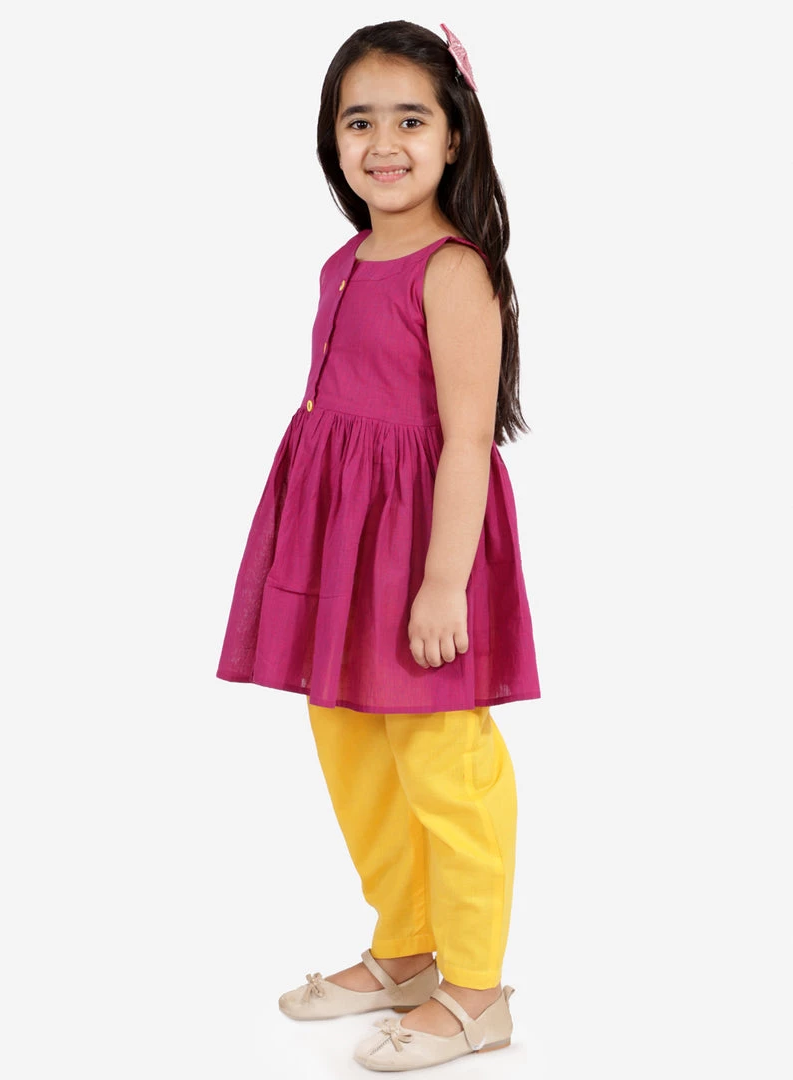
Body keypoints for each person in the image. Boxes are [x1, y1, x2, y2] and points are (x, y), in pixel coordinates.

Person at [216, 20, 541, 1070]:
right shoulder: (343, 260)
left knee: (444, 762)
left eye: (411, 119)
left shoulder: (456, 272)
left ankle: (476, 990)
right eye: (360, 121)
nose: (384, 143)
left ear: (455, 137)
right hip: (338, 545)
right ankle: (405, 948)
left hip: (420, 550)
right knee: (352, 749)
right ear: (332, 138)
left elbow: (465, 440)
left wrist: (444, 582)